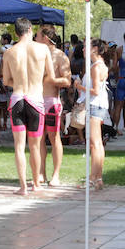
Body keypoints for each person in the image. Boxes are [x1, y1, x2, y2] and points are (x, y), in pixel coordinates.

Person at [2, 18, 58, 195]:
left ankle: (23, 187)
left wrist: (19, 81)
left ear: (16, 32)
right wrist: (36, 80)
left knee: (19, 146)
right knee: (35, 145)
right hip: (35, 98)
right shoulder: (42, 49)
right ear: (30, 29)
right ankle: (36, 183)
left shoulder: (10, 52)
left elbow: (5, 80)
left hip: (18, 97)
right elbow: (51, 75)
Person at [38, 25, 71, 187]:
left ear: (45, 38)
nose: (35, 39)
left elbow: (67, 81)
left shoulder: (60, 56)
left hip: (51, 101)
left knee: (54, 137)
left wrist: (52, 80)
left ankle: (55, 174)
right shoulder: (36, 54)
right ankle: (41, 173)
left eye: (37, 36)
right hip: (36, 101)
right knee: (38, 138)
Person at [74, 39, 109, 189]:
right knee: (98, 144)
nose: (83, 50)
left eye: (86, 47)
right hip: (100, 105)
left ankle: (93, 178)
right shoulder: (101, 65)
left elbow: (94, 90)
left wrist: (79, 86)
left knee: (95, 144)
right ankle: (97, 177)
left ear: (94, 49)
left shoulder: (95, 67)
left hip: (94, 105)